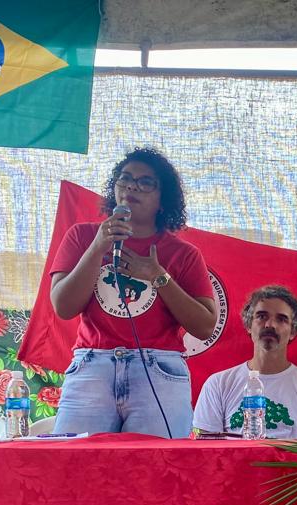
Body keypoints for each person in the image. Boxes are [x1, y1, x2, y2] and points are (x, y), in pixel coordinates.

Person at [49, 147, 216, 438]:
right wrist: (98, 247)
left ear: (163, 201)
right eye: (124, 179)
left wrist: (157, 276)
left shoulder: (183, 254)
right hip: (92, 366)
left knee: (157, 472)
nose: (131, 187)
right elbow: (63, 307)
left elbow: (204, 326)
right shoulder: (82, 237)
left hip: (159, 370)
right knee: (76, 471)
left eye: (145, 182)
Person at [193, 286, 297, 438]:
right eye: (261, 316)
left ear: (293, 331)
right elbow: (207, 451)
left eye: (281, 319)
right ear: (248, 325)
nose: (270, 325)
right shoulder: (218, 384)